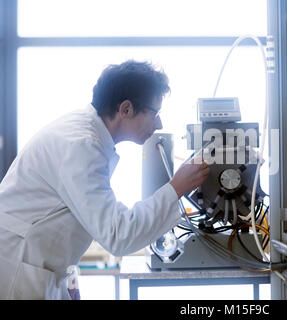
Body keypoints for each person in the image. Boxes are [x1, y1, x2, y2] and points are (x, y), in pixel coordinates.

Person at [0, 60, 210, 299]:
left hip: (36, 265)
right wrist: (176, 187)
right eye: (155, 113)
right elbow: (118, 235)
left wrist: (70, 275)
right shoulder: (81, 145)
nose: (159, 123)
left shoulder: (87, 135)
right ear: (126, 109)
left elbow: (66, 214)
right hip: (16, 268)